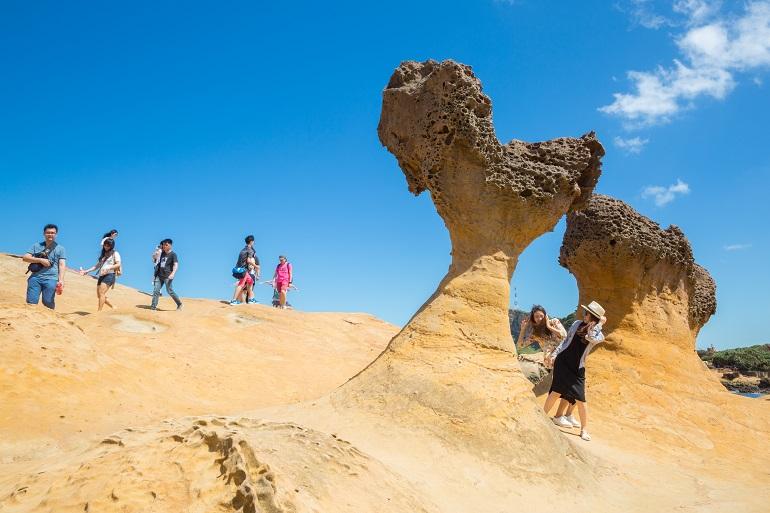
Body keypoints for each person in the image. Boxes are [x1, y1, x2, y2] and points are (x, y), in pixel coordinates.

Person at [543, 301, 607, 441]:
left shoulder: (599, 334)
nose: (584, 315)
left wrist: (599, 324)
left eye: (587, 314)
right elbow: (565, 342)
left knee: (581, 399)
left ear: (594, 317)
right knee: (556, 391)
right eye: (585, 312)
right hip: (563, 363)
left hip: (577, 368)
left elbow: (591, 337)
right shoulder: (576, 323)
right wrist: (554, 355)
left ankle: (584, 430)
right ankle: (541, 417)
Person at [22, 224, 67, 310]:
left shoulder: (61, 249)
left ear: (56, 234)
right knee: (31, 302)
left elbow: (62, 265)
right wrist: (40, 260)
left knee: (48, 303)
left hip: (51, 279)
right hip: (35, 278)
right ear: (44, 234)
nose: (50, 234)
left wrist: (61, 280)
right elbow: (25, 258)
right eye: (48, 232)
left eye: (53, 233)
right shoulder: (36, 246)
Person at [79, 238, 121, 311]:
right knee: (99, 295)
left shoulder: (115, 253)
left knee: (101, 293)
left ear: (111, 246)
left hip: (110, 275)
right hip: (101, 276)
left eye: (108, 245)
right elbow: (97, 266)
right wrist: (86, 271)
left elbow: (118, 264)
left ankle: (99, 312)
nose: (106, 247)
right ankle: (113, 306)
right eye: (105, 245)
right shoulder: (104, 254)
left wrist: (108, 268)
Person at [150, 239, 182, 311]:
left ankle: (179, 304)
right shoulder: (161, 253)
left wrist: (173, 273)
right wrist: (156, 252)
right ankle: (153, 307)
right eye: (164, 245)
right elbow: (154, 258)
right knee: (156, 291)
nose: (164, 246)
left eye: (166, 245)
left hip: (168, 276)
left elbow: (176, 265)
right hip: (159, 275)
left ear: (170, 245)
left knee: (169, 291)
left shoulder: (173, 254)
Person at [230, 235, 260, 305]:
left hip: (239, 268)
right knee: (241, 284)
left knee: (250, 281)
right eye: (253, 241)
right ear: (251, 241)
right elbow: (248, 260)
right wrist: (256, 266)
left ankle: (251, 299)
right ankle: (233, 300)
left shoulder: (243, 249)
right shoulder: (250, 250)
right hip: (243, 270)